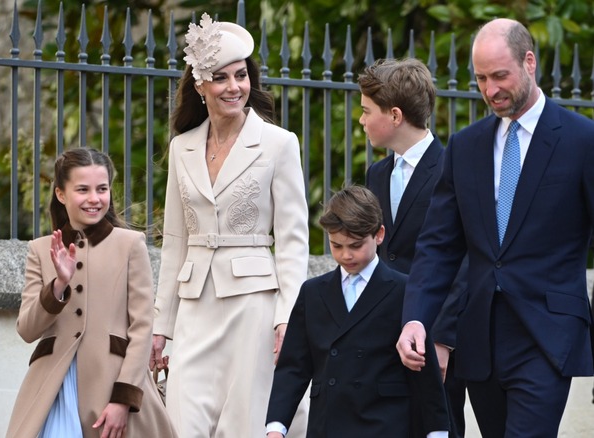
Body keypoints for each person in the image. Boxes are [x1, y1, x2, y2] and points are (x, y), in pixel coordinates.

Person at [396, 18, 594, 438]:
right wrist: (416, 319)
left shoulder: (582, 140)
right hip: (479, 338)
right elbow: (439, 245)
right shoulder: (465, 147)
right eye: (482, 78)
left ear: (529, 62)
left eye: (500, 76)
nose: (490, 90)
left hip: (547, 336)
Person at [150, 13, 310, 438]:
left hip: (253, 308)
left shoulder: (279, 143)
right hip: (194, 307)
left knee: (245, 426)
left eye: (241, 75)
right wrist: (159, 327)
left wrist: (287, 317)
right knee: (183, 424)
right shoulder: (181, 147)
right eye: (220, 78)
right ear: (200, 85)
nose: (234, 87)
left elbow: (294, 241)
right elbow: (175, 243)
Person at [6, 148, 176, 438]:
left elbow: (142, 326)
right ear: (61, 194)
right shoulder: (40, 250)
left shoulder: (130, 244)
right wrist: (58, 285)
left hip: (115, 385)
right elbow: (26, 329)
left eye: (102, 189)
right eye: (82, 189)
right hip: (54, 391)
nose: (95, 199)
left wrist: (124, 399)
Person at [265, 185, 449, 437]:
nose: (346, 255)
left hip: (386, 426)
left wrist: (437, 432)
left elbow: (425, 377)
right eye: (336, 245)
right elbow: (293, 368)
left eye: (356, 245)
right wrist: (276, 427)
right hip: (327, 425)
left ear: (379, 234)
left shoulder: (406, 291)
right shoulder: (312, 292)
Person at [360, 58, 468, 437]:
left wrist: (442, 339)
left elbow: (465, 259)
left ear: (394, 115)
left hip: (435, 344)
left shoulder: (452, 167)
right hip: (384, 337)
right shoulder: (376, 174)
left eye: (365, 111)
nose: (361, 120)